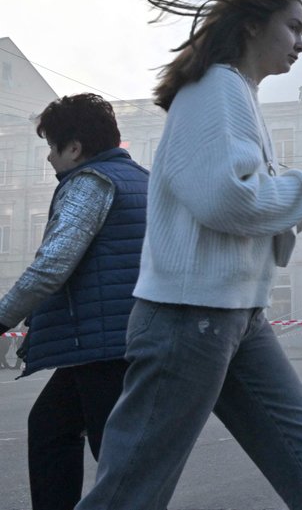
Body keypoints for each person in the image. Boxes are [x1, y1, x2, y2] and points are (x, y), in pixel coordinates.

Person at [75, 0, 302, 510]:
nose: (301, 44)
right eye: (294, 27)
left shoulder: (238, 97)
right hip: (189, 318)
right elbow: (227, 200)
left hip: (236, 315)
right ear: (253, 24)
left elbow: (244, 214)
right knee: (130, 492)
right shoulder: (215, 91)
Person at [0, 93, 148, 510]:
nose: (48, 158)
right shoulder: (143, 180)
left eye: (51, 147)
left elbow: (52, 264)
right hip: (121, 337)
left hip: (104, 347)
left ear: (75, 148)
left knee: (119, 464)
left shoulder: (90, 182)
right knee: (51, 428)